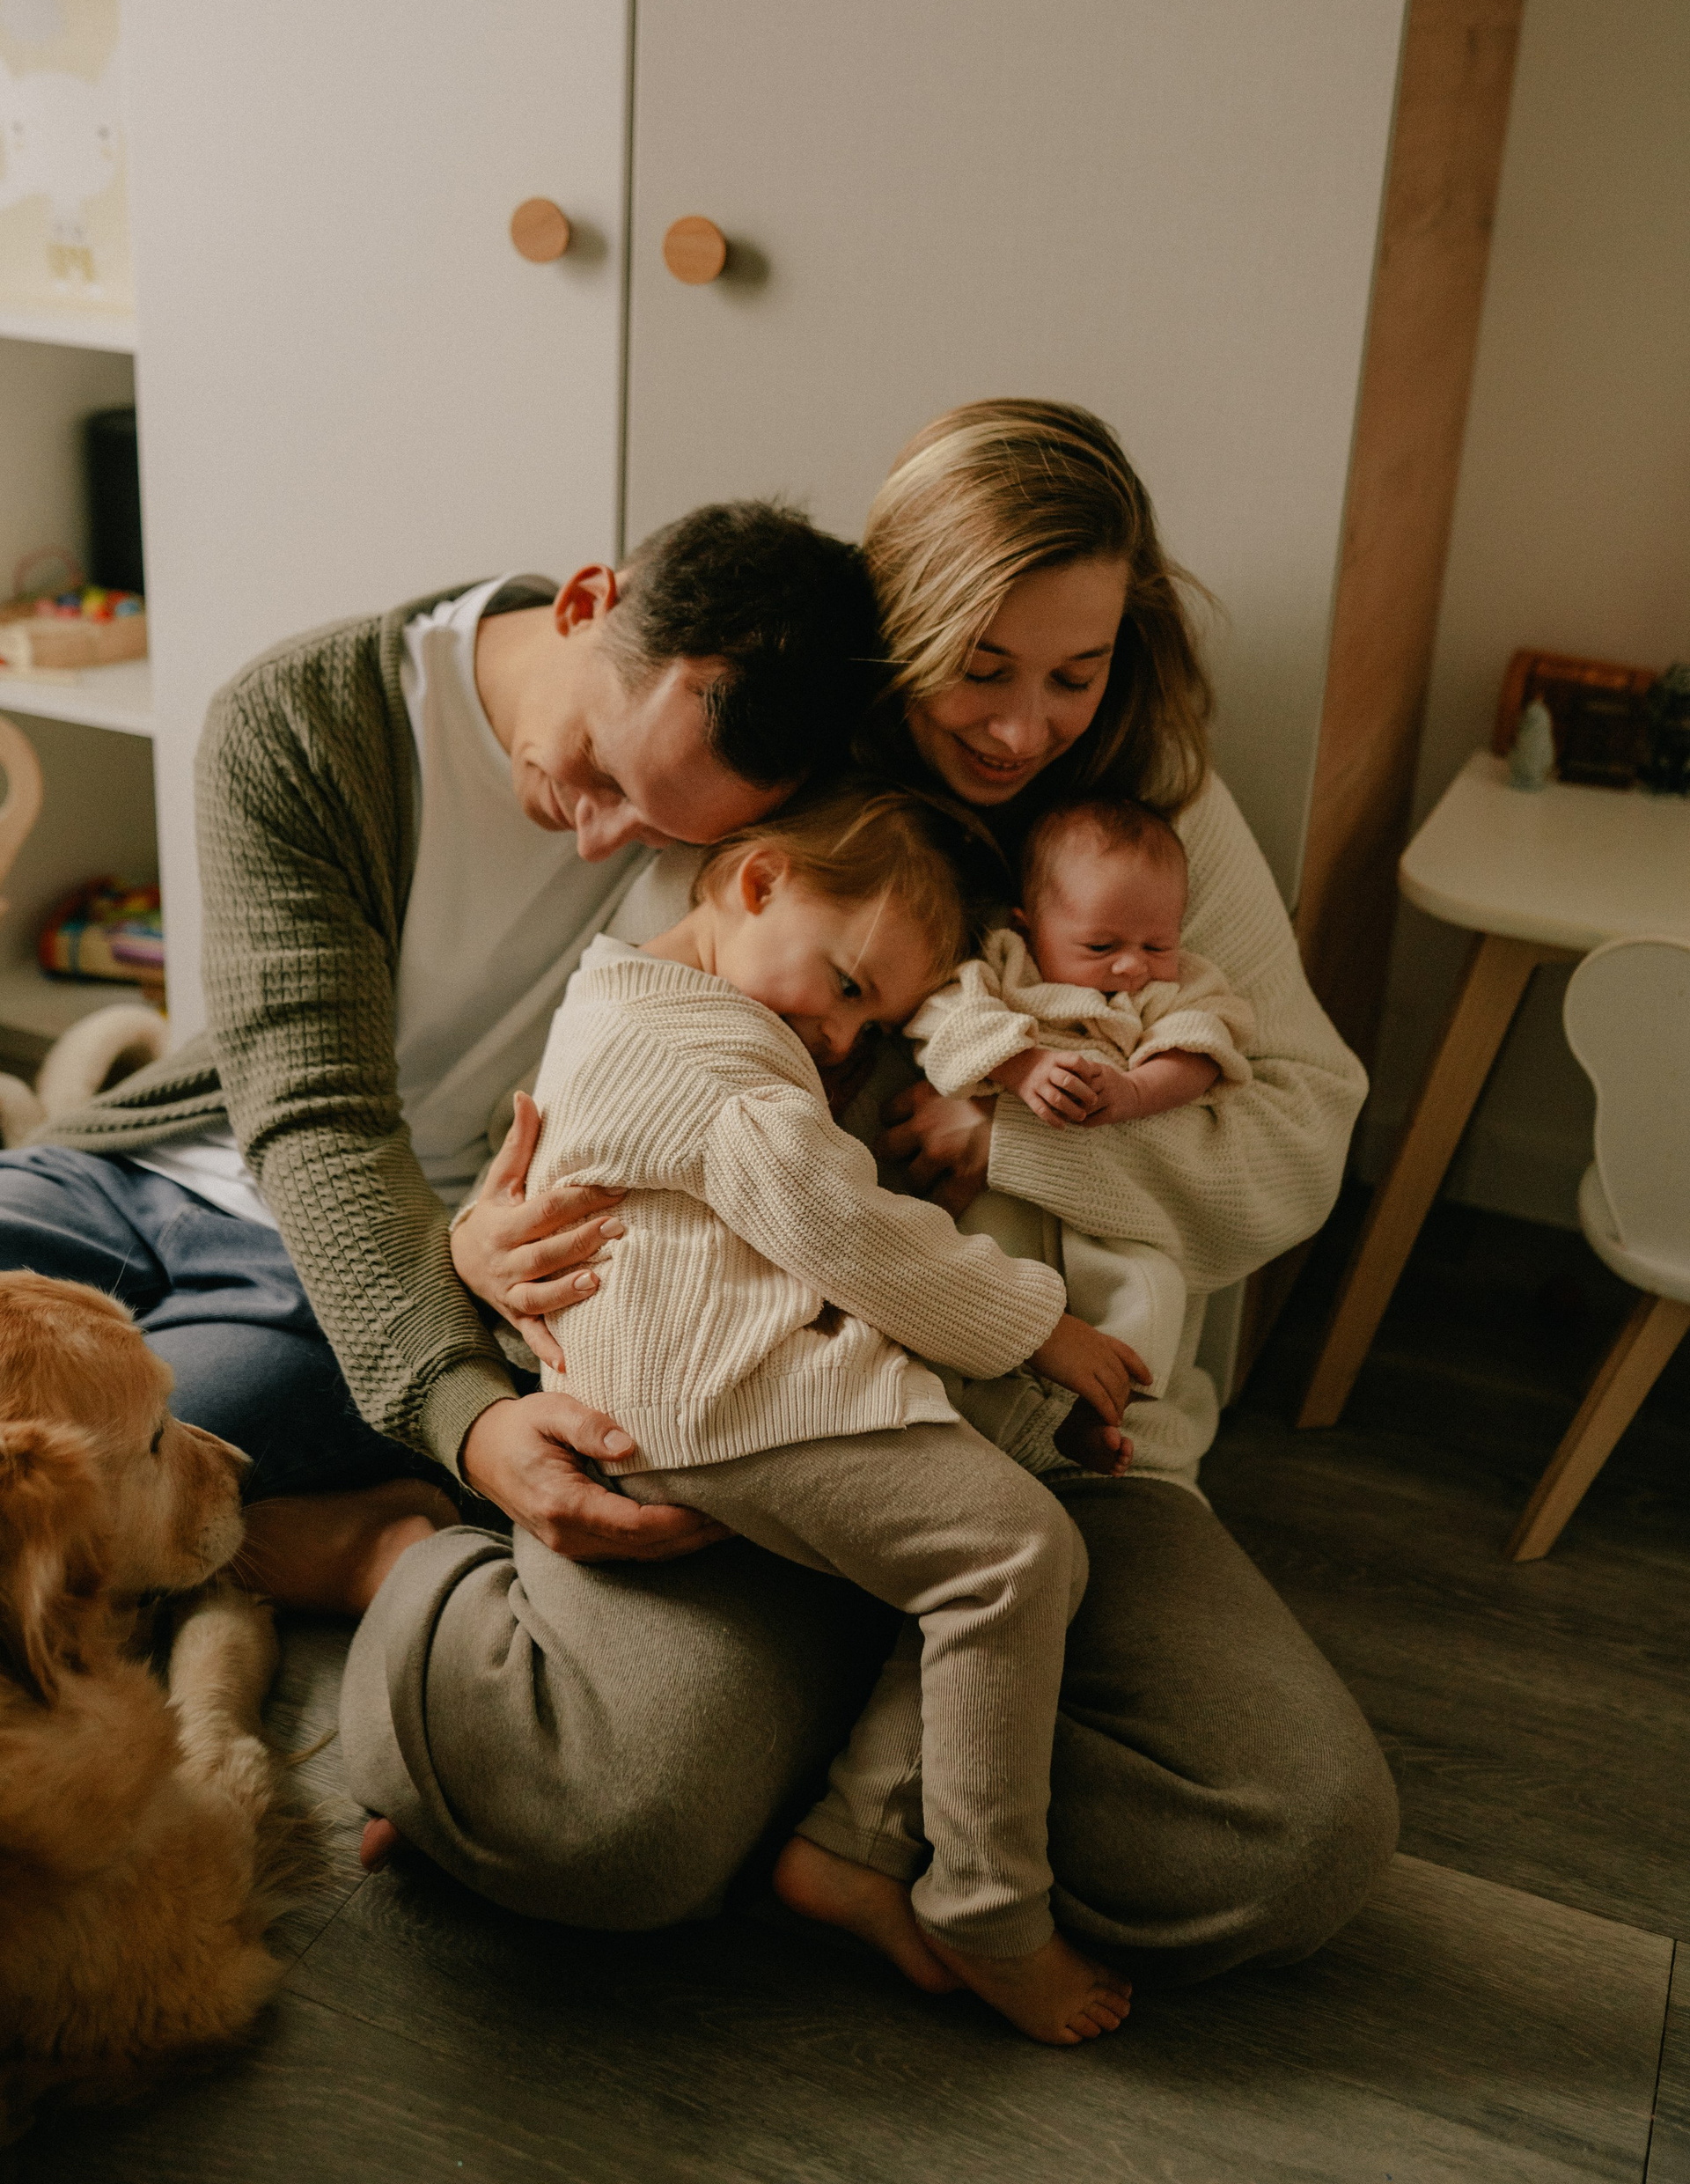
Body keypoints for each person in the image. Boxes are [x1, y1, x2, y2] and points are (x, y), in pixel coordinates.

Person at [342, 397, 1397, 1985]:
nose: (1023, 730)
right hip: (765, 1417)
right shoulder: (773, 800)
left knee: (1290, 1839)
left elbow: (1303, 1148)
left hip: (1048, 1447)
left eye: (1076, 673)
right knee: (607, 1830)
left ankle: (855, 1747)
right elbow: (600, 1084)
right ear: (901, 629)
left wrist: (1011, 1145)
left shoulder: (1150, 835)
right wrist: (482, 1245)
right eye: (981, 665)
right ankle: (459, 1592)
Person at [4, 504, 880, 1610]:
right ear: (585, 603)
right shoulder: (301, 718)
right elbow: (314, 1111)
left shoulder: (768, 838)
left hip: (346, 1263)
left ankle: (308, 1540)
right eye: (601, 771)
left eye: (666, 835)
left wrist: (461, 1406)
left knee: (84, 1504)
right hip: (143, 1161)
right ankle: (306, 1549)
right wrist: (471, 1429)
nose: (599, 838)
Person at [523, 784, 1138, 2043]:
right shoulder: (704, 1060)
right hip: (712, 1394)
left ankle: (857, 1846)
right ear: (759, 883)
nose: (843, 1033)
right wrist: (1045, 1327)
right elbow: (844, 1228)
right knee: (1014, 1556)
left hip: (703, 1377)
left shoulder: (634, 1001)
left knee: (1018, 1543)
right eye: (847, 984)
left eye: (873, 1018)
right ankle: (989, 1908)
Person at [902, 789, 1255, 1409]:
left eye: (1157, 945)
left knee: (1154, 1290)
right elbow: (943, 1016)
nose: (1131, 967)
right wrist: (1021, 1065)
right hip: (998, 1201)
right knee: (962, 1290)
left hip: (1106, 1216)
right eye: (1100, 947)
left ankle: (1104, 1411)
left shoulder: (1171, 991)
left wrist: (1137, 1090)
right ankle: (951, 1407)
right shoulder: (1005, 966)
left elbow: (1204, 1047)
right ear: (1028, 926)